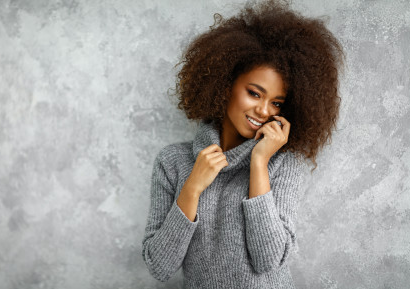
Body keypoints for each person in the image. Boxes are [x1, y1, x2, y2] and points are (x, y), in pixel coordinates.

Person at [142, 0, 344, 288]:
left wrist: (259, 164)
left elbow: (270, 260)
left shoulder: (284, 162)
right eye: (254, 93)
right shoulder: (173, 161)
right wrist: (192, 186)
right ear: (225, 84)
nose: (264, 111)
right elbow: (159, 266)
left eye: (276, 103)